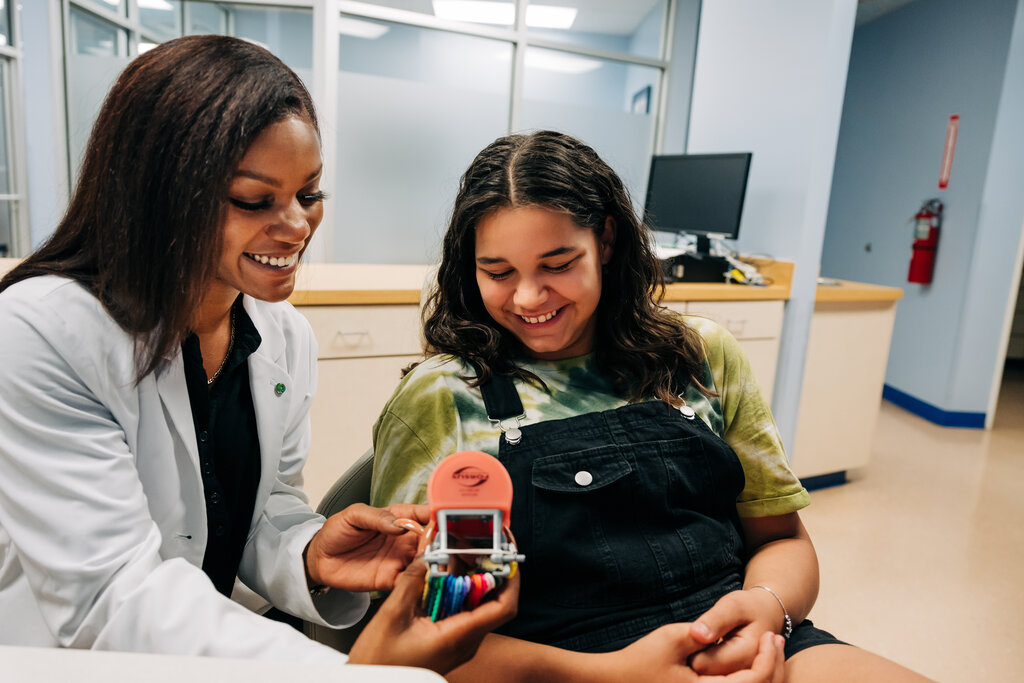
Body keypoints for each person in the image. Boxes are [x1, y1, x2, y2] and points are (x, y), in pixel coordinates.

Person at [0, 35, 517, 674]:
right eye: (254, 199)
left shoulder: (281, 335)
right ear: (159, 193)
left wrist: (308, 550)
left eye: (310, 193)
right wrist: (349, 674)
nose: (297, 225)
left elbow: (260, 505)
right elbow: (112, 597)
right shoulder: (41, 331)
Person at [370, 131, 933, 682]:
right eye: (498, 273)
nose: (527, 297)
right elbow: (421, 639)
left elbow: (780, 538)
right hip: (560, 669)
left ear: (607, 241)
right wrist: (615, 673)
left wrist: (766, 607)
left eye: (558, 264)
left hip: (742, 648)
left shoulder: (701, 355)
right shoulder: (446, 400)